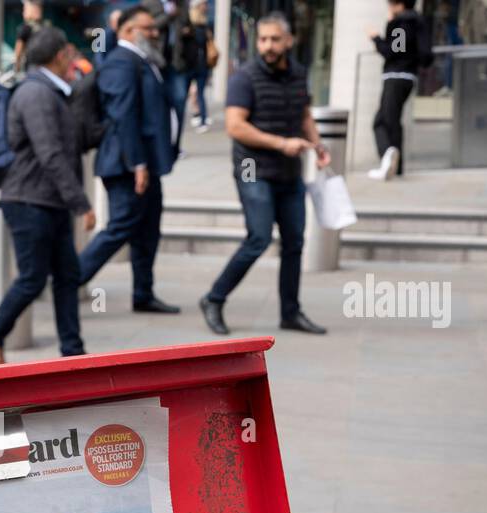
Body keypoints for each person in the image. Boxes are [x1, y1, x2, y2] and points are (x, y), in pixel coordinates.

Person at [198, 13, 329, 337]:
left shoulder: (299, 74)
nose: (268, 46)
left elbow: (303, 113)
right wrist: (281, 143)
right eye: (263, 39)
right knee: (258, 237)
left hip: (288, 171)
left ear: (289, 40)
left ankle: (290, 312)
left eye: (274, 39)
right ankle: (214, 298)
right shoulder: (244, 77)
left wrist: (317, 144)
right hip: (252, 168)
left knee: (295, 241)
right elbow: (234, 126)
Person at [0, 27, 92, 366]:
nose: (73, 60)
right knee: (33, 278)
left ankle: (73, 351)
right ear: (59, 56)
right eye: (70, 54)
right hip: (28, 200)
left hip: (47, 199)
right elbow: (50, 153)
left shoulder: (52, 92)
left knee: (67, 275)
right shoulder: (36, 94)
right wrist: (80, 202)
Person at [76, 6, 180, 317]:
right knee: (120, 227)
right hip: (126, 164)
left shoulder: (143, 60)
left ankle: (143, 293)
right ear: (126, 32)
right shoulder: (121, 62)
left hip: (145, 163)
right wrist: (137, 164)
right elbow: (124, 117)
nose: (155, 33)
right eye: (148, 28)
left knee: (148, 230)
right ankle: (69, 282)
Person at [368, 0, 430, 181]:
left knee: (383, 122)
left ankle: (388, 156)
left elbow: (393, 51)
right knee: (391, 120)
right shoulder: (418, 22)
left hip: (396, 76)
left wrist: (376, 38)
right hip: (408, 76)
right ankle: (396, 165)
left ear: (399, 5)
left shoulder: (402, 23)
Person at [181, 1, 214, 134]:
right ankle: (201, 118)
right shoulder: (201, 27)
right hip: (196, 65)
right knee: (197, 94)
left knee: (195, 94)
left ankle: (201, 118)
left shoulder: (200, 27)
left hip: (195, 65)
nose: (206, 7)